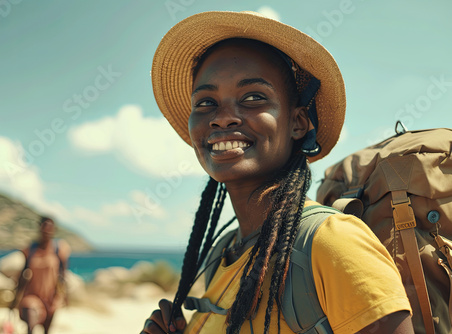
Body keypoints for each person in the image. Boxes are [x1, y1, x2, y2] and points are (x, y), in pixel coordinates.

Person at [142, 11, 414, 334]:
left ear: (298, 123)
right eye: (205, 102)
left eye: (253, 97)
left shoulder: (334, 244)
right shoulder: (223, 255)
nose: (223, 117)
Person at [10, 217, 71, 334]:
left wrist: (65, 296)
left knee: (46, 330)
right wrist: (15, 299)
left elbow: (62, 275)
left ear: (54, 230)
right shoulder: (31, 250)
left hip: (51, 298)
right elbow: (23, 274)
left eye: (50, 228)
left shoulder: (59, 250)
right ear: (40, 228)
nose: (47, 230)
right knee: (31, 328)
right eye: (44, 227)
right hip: (32, 296)